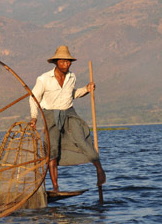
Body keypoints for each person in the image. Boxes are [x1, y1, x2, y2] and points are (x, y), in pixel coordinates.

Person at [29, 45, 106, 192]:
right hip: (50, 115)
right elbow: (33, 98)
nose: (67, 64)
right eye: (63, 61)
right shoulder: (44, 79)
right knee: (52, 152)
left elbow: (71, 94)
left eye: (68, 62)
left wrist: (86, 89)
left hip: (69, 113)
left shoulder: (72, 77)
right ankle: (56, 187)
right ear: (56, 62)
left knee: (82, 140)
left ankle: (100, 170)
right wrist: (34, 117)